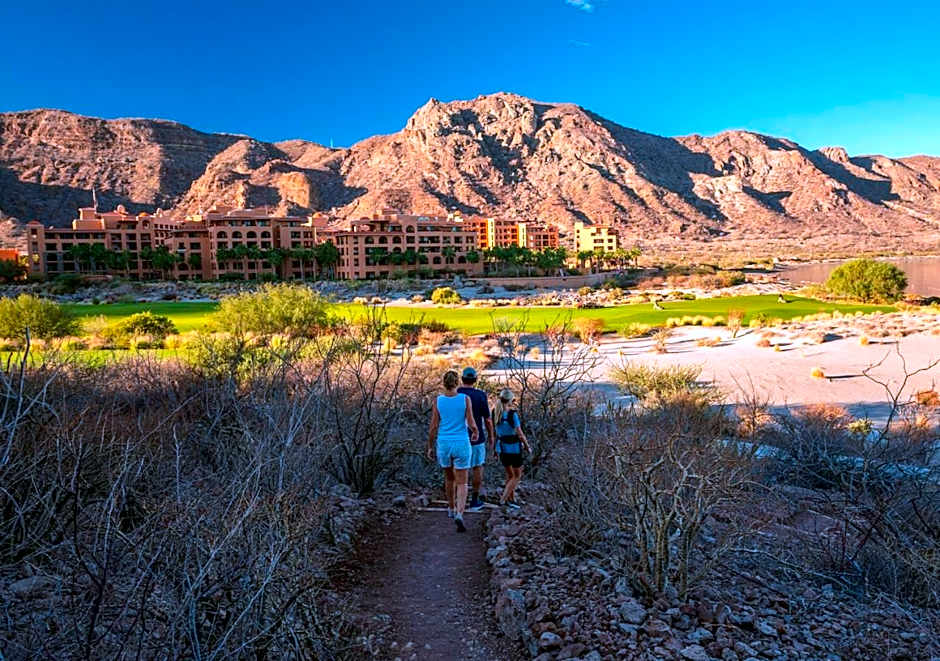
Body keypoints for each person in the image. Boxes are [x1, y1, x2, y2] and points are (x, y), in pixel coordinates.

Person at [427, 369, 478, 532]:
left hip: (444, 443)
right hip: (461, 442)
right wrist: (475, 431)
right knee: (463, 482)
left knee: (449, 478)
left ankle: (450, 507)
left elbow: (433, 426)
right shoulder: (465, 399)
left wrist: (429, 445)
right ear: (458, 383)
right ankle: (460, 513)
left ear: (444, 383)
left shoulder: (438, 401)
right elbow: (471, 422)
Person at [457, 367, 495, 511]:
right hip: (476, 438)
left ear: (462, 379)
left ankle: (458, 499)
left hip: (458, 437)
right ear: (475, 380)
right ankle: (474, 499)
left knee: (459, 468)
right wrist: (491, 436)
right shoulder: (480, 395)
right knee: (477, 467)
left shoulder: (456, 394)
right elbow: (487, 419)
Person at [493, 388, 530, 510]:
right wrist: (527, 445)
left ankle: (511, 499)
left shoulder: (495, 412)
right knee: (517, 475)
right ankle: (503, 499)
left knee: (509, 475)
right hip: (514, 448)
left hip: (502, 448)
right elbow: (520, 433)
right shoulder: (512, 414)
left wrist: (494, 449)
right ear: (510, 400)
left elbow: (494, 432)